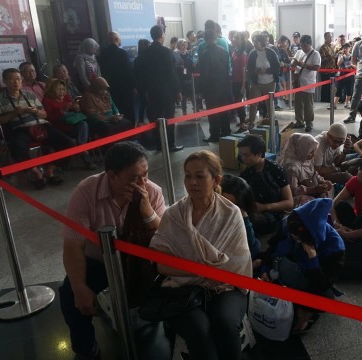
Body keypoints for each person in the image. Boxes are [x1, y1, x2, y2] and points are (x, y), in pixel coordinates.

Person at [60, 142, 166, 359]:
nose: (142, 183)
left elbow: (166, 236)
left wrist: (147, 211)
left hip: (140, 261)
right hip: (100, 262)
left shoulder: (152, 192)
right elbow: (73, 245)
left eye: (145, 174)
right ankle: (86, 349)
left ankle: (149, 336)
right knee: (70, 294)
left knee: (164, 291)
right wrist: (80, 287)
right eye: (135, 178)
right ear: (112, 176)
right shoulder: (86, 193)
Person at [149, 150, 250, 360]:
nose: (192, 182)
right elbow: (161, 264)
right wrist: (200, 271)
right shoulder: (174, 215)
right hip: (182, 288)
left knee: (225, 322)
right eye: (187, 175)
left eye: (199, 176)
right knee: (199, 331)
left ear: (216, 179)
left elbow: (237, 264)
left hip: (225, 286)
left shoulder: (231, 214)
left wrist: (198, 270)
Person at [260, 198, 345, 331]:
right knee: (259, 263)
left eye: (297, 239)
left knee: (326, 300)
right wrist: (265, 267)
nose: (294, 240)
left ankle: (299, 307)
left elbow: (323, 283)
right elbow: (272, 249)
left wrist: (312, 257)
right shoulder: (287, 225)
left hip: (309, 279)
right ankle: (294, 303)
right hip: (284, 269)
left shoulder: (335, 246)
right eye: (292, 236)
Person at [0, 68, 74, 189]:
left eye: (18, 79)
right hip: (20, 128)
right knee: (16, 148)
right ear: (5, 81)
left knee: (68, 143)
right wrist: (13, 113)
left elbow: (45, 114)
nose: (16, 82)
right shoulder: (0, 98)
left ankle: (50, 170)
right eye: (12, 79)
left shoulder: (29, 94)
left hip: (41, 125)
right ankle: (36, 173)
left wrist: (36, 111)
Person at [135, 25, 183, 152]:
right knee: (169, 117)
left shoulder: (144, 54)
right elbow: (172, 74)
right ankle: (171, 144)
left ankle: (159, 145)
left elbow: (140, 75)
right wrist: (177, 91)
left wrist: (144, 90)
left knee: (155, 120)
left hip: (151, 92)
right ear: (162, 36)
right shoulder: (166, 52)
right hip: (167, 91)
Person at [238, 135, 294, 235]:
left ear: (259, 154)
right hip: (254, 210)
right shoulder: (246, 173)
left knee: (252, 226)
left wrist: (264, 207)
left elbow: (289, 203)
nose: (243, 159)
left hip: (274, 212)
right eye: (241, 155)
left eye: (247, 155)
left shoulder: (275, 170)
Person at [42, 78, 95, 169]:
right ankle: (84, 154)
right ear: (52, 89)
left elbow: (74, 109)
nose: (62, 92)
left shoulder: (66, 97)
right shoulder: (47, 100)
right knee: (82, 130)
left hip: (71, 124)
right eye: (59, 89)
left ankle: (82, 148)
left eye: (63, 89)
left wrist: (75, 107)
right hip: (58, 127)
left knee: (84, 124)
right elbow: (48, 118)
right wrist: (62, 110)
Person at [278, 133, 332, 206]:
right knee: (309, 202)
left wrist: (323, 181)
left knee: (327, 192)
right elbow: (293, 191)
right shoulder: (291, 167)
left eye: (314, 151)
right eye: (311, 152)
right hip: (294, 197)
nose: (313, 155)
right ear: (302, 150)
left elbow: (314, 174)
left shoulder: (305, 159)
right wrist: (314, 189)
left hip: (310, 189)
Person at [198, 29, 233, 142]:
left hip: (211, 87)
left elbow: (204, 73)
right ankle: (226, 131)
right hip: (224, 85)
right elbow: (227, 68)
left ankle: (214, 135)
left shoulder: (205, 53)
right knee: (224, 110)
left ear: (206, 40)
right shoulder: (224, 51)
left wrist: (202, 89)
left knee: (213, 112)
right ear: (215, 38)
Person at [220, 174, 261, 262]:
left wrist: (245, 217)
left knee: (255, 244)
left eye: (234, 205)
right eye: (225, 202)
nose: (229, 208)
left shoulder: (241, 215)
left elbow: (249, 242)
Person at [98, 31, 135, 122]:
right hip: (124, 89)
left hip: (110, 89)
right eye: (120, 38)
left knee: (116, 112)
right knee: (128, 113)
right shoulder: (122, 53)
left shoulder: (103, 54)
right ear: (117, 39)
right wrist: (133, 86)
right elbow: (128, 71)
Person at [246, 34, 280, 128]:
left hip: (270, 82)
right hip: (256, 82)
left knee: (269, 104)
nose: (254, 44)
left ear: (261, 42)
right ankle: (251, 122)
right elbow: (249, 68)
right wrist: (255, 71)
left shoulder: (271, 52)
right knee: (253, 103)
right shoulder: (252, 54)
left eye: (256, 42)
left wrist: (266, 70)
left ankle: (271, 122)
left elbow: (277, 67)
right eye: (254, 42)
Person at [291, 35, 321, 132]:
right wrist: (293, 62)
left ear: (310, 44)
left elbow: (316, 67)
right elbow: (293, 62)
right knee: (298, 103)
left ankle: (309, 123)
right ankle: (299, 121)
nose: (303, 48)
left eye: (305, 46)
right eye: (302, 46)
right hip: (298, 82)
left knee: (308, 105)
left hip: (309, 83)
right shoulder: (299, 52)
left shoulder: (315, 54)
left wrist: (303, 65)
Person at [231, 33, 248, 129]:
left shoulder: (243, 54)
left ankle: (243, 121)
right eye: (234, 38)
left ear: (241, 41)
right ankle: (242, 119)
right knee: (236, 101)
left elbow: (243, 69)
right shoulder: (235, 51)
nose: (234, 39)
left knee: (238, 101)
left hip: (240, 81)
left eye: (237, 38)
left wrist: (243, 85)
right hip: (234, 80)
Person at [334, 43, 355, 110]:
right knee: (339, 89)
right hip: (341, 74)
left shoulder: (352, 56)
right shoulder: (340, 55)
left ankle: (346, 103)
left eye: (346, 48)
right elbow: (338, 64)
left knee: (349, 89)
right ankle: (334, 104)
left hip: (350, 74)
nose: (345, 49)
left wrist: (351, 65)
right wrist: (342, 57)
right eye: (344, 48)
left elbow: (356, 65)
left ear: (349, 48)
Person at [319, 32, 337, 104]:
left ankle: (330, 100)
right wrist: (331, 58)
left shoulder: (331, 47)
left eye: (331, 37)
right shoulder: (323, 48)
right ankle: (324, 100)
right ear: (325, 38)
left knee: (331, 87)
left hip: (332, 69)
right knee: (325, 87)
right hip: (325, 70)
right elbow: (322, 59)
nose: (330, 38)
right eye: (329, 37)